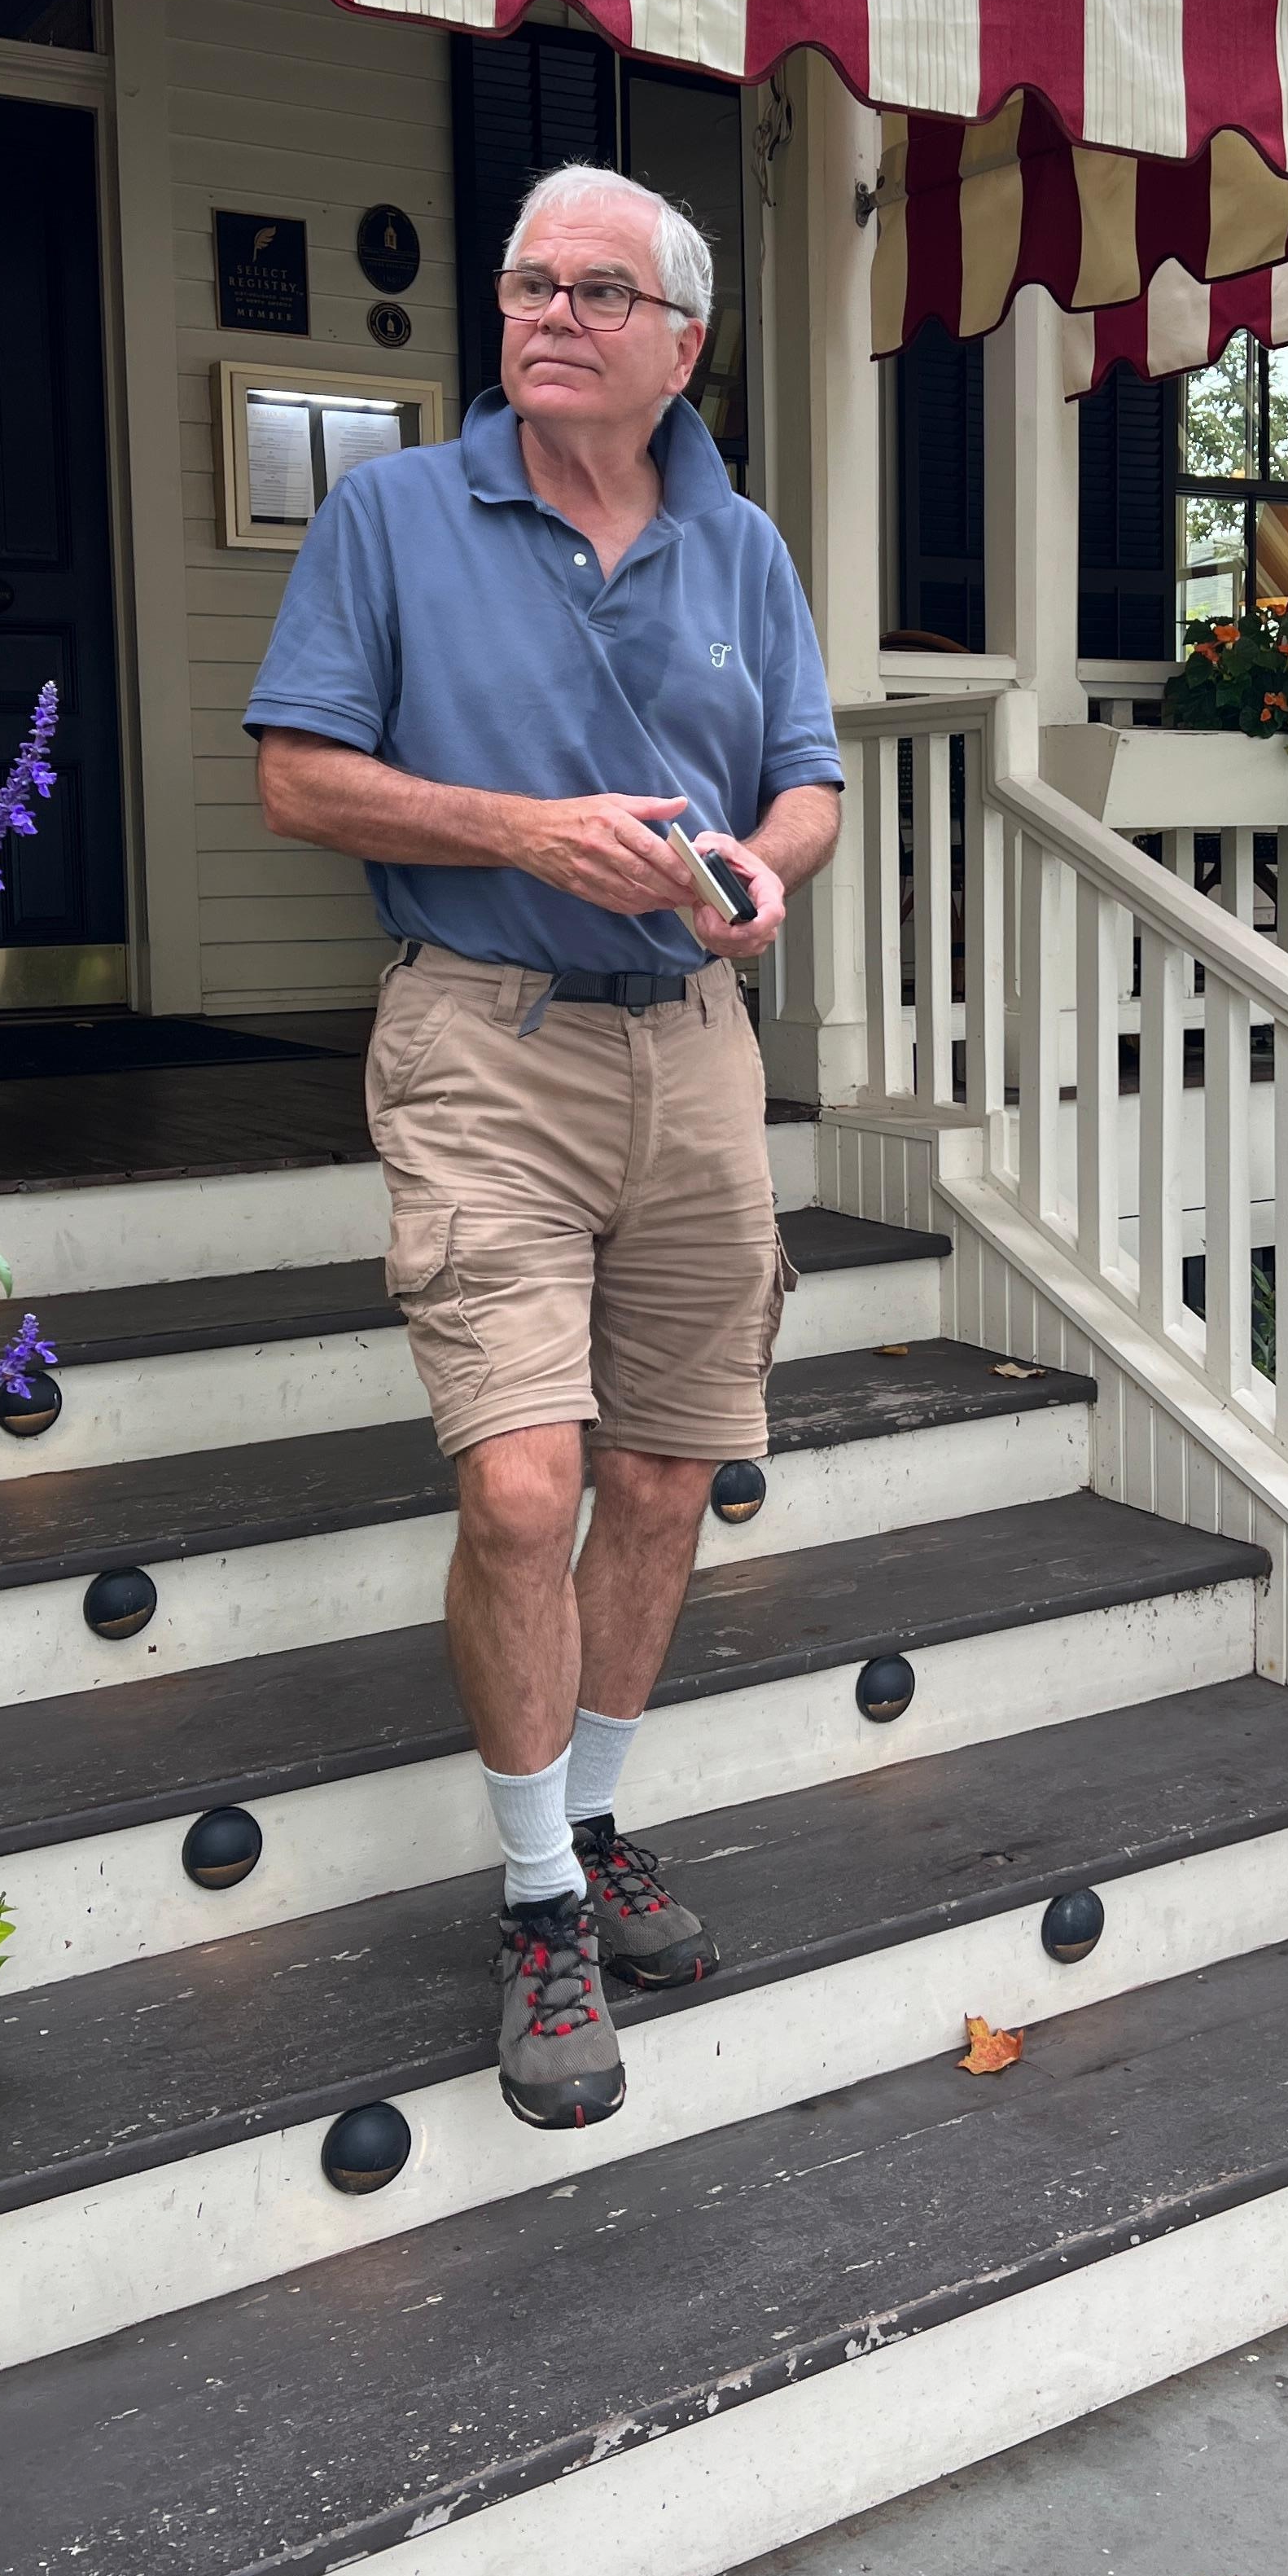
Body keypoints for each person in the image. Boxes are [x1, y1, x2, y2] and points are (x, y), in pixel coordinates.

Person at [246, 163, 843, 2131]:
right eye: (527, 284)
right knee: (522, 1488)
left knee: (664, 1478)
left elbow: (810, 782)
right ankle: (532, 1905)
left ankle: (587, 1829)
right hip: (483, 1040)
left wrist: (764, 869)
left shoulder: (741, 545)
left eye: (598, 291)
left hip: (694, 1051)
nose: (550, 316)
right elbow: (299, 780)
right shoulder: (395, 515)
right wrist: (526, 833)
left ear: (684, 346)